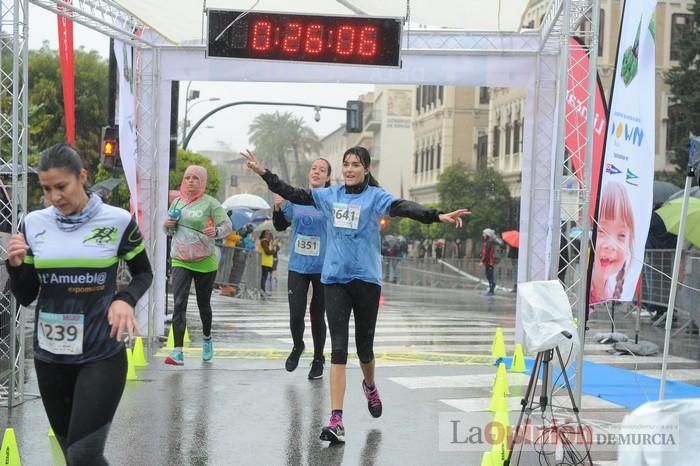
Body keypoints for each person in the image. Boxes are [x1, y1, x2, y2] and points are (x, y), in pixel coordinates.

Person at [241, 146, 469, 443]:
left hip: (366, 280)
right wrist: (263, 173)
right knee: (339, 349)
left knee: (364, 349)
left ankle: (370, 385)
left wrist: (437, 216)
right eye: (346, 164)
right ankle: (337, 419)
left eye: (355, 165)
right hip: (334, 278)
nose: (349, 169)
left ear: (366, 169)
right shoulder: (329, 195)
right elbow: (293, 193)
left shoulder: (375, 197)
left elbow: (404, 207)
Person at [4, 143, 153, 465]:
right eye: (46, 189)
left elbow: (144, 273)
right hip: (50, 357)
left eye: (62, 186)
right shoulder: (33, 223)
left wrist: (125, 300)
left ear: (82, 177)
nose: (55, 197)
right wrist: (15, 268)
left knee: (85, 455)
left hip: (101, 355)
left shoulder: (116, 221)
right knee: (73, 454)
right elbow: (27, 295)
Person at [163, 165, 231, 366]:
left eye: (195, 178)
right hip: (180, 259)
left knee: (203, 305)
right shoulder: (176, 202)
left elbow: (227, 226)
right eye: (187, 177)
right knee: (179, 304)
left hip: (204, 261)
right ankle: (177, 351)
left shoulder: (211, 203)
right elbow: (168, 231)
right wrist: (167, 225)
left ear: (202, 182)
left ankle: (207, 339)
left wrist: (216, 231)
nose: (190, 181)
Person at [272, 158, 333, 379]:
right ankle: (298, 346)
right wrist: (278, 208)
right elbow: (280, 226)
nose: (316, 172)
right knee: (296, 313)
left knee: (318, 315)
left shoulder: (331, 202)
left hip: (323, 267)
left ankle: (318, 359)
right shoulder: (295, 198)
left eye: (322, 170)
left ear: (328, 178)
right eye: (314, 169)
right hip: (298, 265)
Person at [590, 181, 635, 304]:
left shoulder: (608, 293)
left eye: (621, 235)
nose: (610, 246)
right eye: (601, 230)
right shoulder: (578, 293)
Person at [481, 228, 499, 295]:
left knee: (490, 276)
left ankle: (491, 290)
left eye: (484, 234)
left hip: (489, 261)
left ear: (487, 234)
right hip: (488, 261)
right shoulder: (487, 241)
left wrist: (483, 260)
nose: (483, 235)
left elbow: (487, 253)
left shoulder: (489, 242)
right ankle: (491, 289)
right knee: (489, 275)